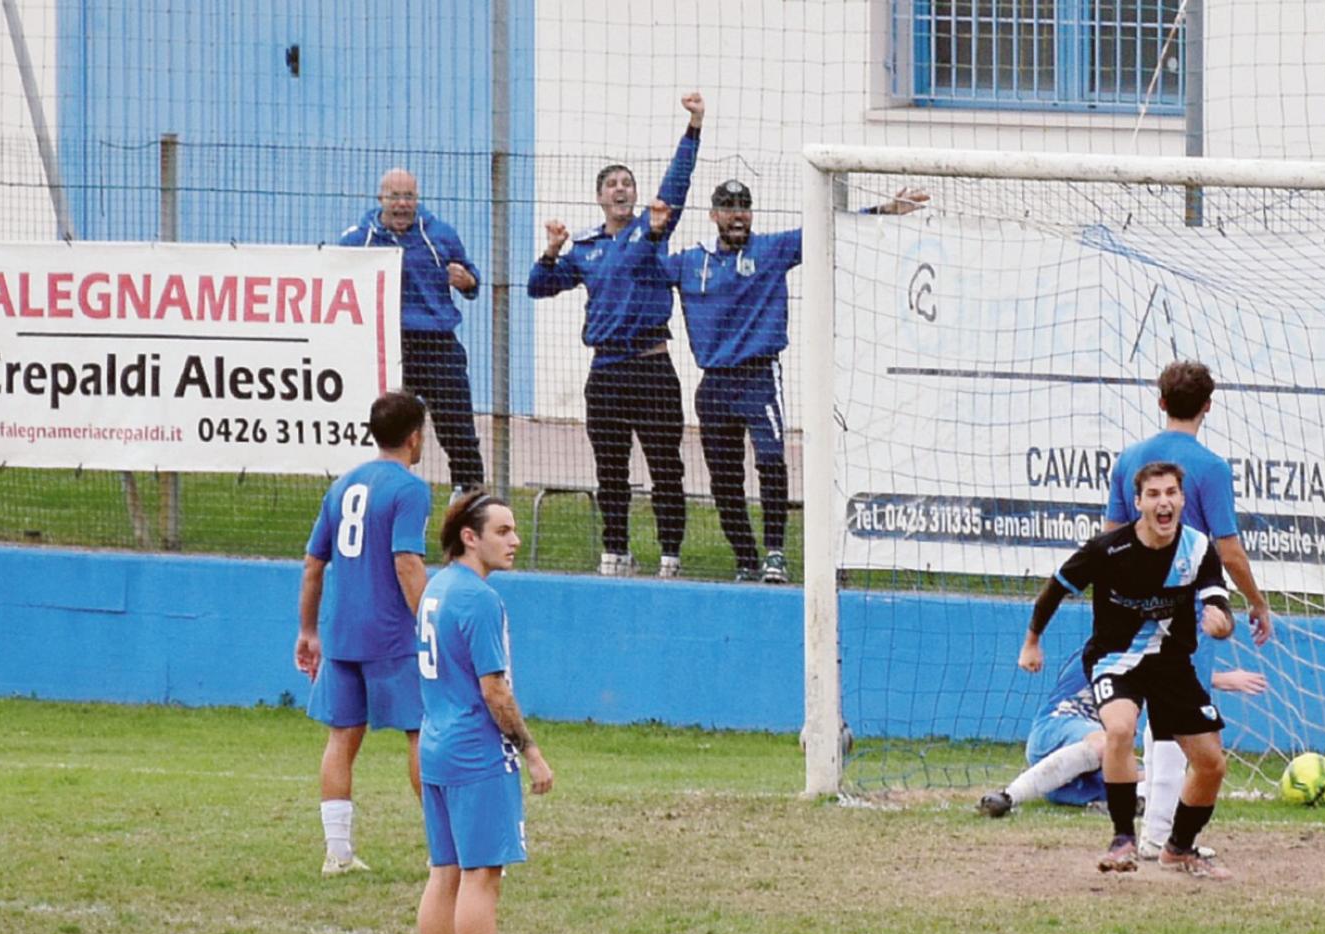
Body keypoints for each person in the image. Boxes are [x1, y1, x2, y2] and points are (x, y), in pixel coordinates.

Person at [653, 179, 926, 582]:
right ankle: (745, 558)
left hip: (760, 377)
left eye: (744, 205)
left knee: (770, 462)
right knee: (724, 477)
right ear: (713, 215)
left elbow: (826, 230)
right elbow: (642, 267)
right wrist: (654, 231)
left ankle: (775, 554)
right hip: (713, 384)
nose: (737, 214)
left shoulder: (770, 250)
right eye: (728, 207)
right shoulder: (692, 261)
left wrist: (884, 210)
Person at [1019, 461, 1236, 879]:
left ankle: (1179, 849)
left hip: (1172, 665)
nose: (1163, 502)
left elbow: (1219, 604)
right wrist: (1032, 642)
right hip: (1115, 658)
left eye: (1171, 493)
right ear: (1138, 503)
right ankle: (1122, 840)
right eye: (1153, 495)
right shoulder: (1107, 549)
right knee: (1119, 728)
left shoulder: (1197, 548)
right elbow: (1054, 589)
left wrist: (1220, 621)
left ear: (1182, 499)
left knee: (1211, 764)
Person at [527, 92, 705, 578]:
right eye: (612, 184)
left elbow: (677, 184)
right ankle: (615, 551)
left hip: (651, 366)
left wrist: (693, 127)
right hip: (605, 371)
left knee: (666, 467)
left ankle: (670, 553)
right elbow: (538, 287)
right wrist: (551, 250)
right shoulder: (586, 248)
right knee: (611, 470)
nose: (622, 189)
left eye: (628, 182)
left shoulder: (651, 231)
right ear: (600, 196)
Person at [1105, 359, 1273, 860]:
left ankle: (1153, 832)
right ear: (1207, 406)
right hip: (1188, 605)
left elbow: (1111, 537)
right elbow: (1228, 550)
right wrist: (1256, 601)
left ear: (1161, 403)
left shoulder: (1131, 458)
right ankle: (1161, 836)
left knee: (1151, 715)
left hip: (1133, 603)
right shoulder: (1212, 468)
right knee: (1182, 722)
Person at [294, 389, 432, 876]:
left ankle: (338, 852)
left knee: (342, 738)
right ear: (415, 437)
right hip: (393, 634)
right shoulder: (410, 489)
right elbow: (406, 562)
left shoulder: (343, 485)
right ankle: (447, 848)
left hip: (343, 631)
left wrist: (309, 629)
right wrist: (432, 619)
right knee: (421, 732)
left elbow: (314, 565)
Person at [415, 491, 554, 934]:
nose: (515, 540)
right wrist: (532, 752)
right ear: (469, 538)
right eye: (502, 531)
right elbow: (494, 690)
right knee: (481, 877)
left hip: (436, 745)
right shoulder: (479, 599)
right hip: (476, 751)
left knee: (446, 871)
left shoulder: (437, 588)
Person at [979, 644, 1266, 816]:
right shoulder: (1104, 649)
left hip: (1070, 781)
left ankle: (1126, 804)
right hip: (1054, 733)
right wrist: (1219, 678)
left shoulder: (1143, 653)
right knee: (1106, 742)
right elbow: (1151, 670)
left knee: (1157, 779)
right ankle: (1007, 797)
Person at [340, 169, 485, 494]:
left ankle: (469, 504)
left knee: (458, 430)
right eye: (395, 197)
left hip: (437, 345)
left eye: (409, 197)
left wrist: (467, 281)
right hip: (385, 345)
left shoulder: (440, 234)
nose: (403, 205)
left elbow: (472, 278)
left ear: (417, 199)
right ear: (381, 199)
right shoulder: (358, 238)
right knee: (382, 428)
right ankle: (373, 493)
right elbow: (335, 280)